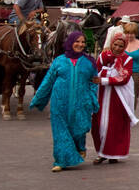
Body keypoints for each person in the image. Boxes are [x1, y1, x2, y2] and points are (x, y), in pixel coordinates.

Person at [30, 31, 99, 172]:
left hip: (81, 102)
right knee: (60, 131)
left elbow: (93, 83)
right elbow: (48, 81)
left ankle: (80, 147)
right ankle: (60, 161)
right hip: (59, 102)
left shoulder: (89, 62)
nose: (80, 44)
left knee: (79, 128)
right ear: (70, 42)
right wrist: (38, 99)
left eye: (83, 42)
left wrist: (92, 100)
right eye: (77, 41)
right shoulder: (59, 61)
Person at [90, 27, 138, 164]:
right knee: (99, 125)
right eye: (115, 45)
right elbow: (95, 72)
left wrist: (104, 80)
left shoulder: (127, 59)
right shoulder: (103, 56)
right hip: (102, 95)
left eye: (121, 46)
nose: (117, 48)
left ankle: (114, 153)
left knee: (114, 125)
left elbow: (124, 77)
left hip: (118, 98)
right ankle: (101, 152)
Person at [120, 21, 139, 103]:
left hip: (135, 73)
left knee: (133, 97)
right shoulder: (120, 43)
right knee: (121, 96)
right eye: (127, 33)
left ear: (135, 33)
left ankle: (131, 115)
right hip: (122, 73)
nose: (129, 35)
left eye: (132, 33)